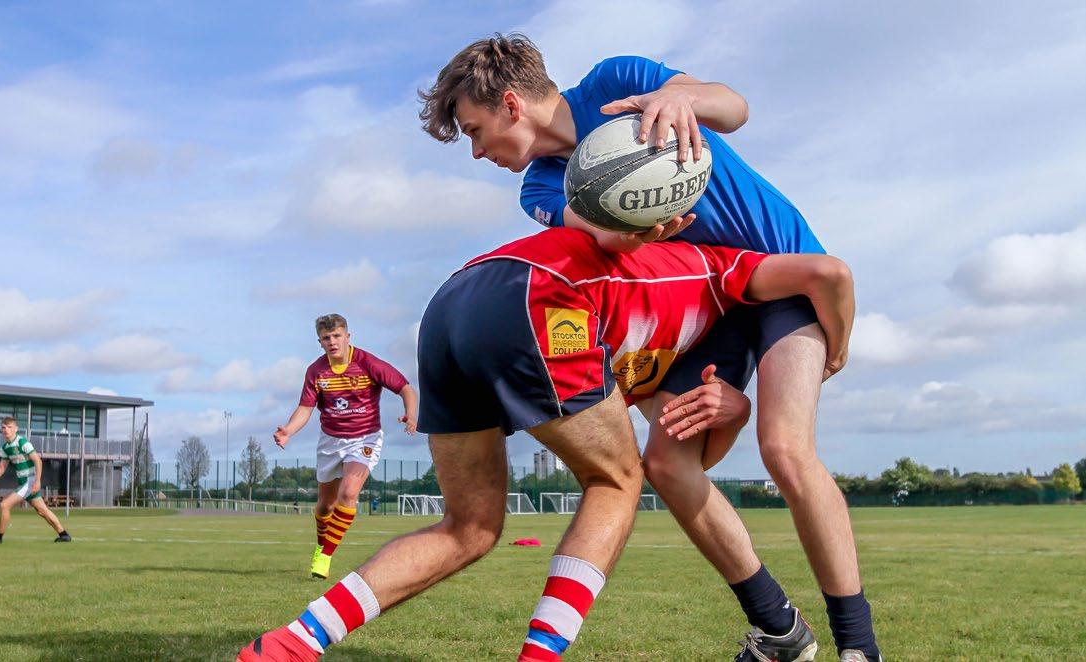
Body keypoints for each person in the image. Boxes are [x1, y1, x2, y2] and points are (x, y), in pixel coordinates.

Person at [419, 34, 880, 662]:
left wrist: (681, 99)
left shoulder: (616, 82)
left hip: (783, 276)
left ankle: (860, 647)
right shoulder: (541, 188)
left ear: (510, 104)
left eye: (475, 131)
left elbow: (734, 107)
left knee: (785, 449)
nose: (477, 152)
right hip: (706, 301)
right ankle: (779, 629)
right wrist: (624, 234)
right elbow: (605, 239)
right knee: (666, 465)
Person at [239, 228, 854, 662]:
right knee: (615, 481)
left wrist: (736, 413)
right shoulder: (723, 272)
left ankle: (292, 644)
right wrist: (836, 351)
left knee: (470, 528)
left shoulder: (659, 358)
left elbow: (684, 458)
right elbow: (827, 271)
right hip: (539, 294)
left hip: (451, 304)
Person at [274, 314, 419, 579]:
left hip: (365, 438)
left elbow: (406, 388)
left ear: (347, 336)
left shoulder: (368, 363)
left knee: (349, 492)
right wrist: (288, 431)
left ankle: (325, 556)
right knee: (324, 506)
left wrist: (410, 413)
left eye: (337, 336)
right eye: (326, 338)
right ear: (320, 342)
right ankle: (321, 546)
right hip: (331, 441)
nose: (332, 342)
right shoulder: (316, 371)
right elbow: (305, 408)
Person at [0, 417, 70, 544]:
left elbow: (38, 461)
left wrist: (37, 481)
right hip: (24, 483)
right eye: (3, 427)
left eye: (9, 427)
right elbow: (1, 467)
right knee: (43, 511)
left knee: (5, 505)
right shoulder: (6, 447)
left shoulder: (22, 442)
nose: (6, 430)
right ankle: (64, 535)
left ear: (16, 429)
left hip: (29, 481)